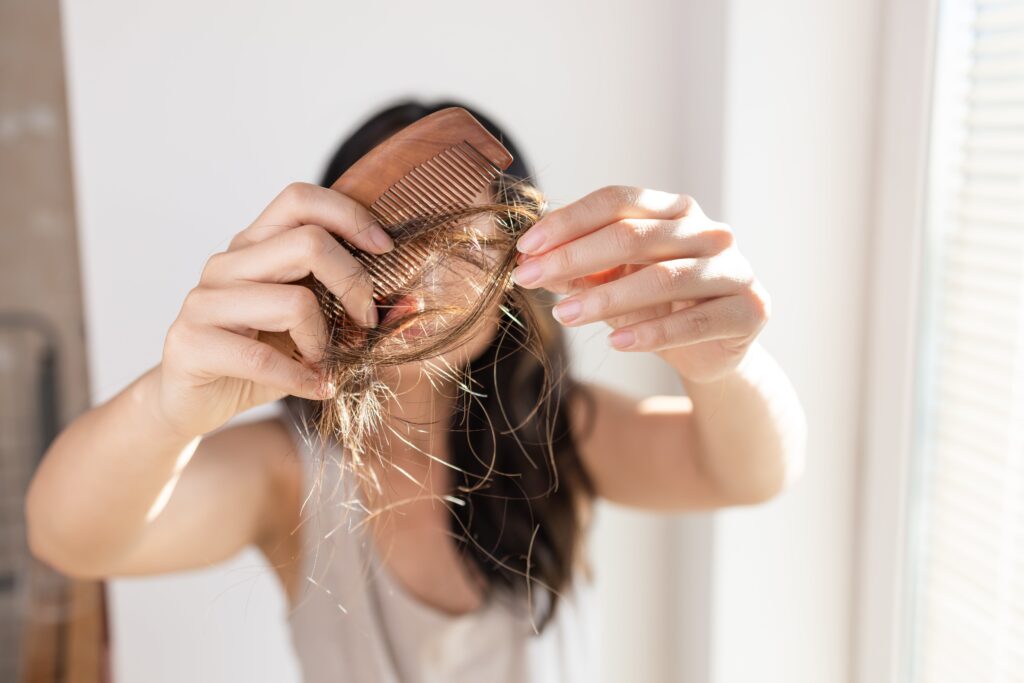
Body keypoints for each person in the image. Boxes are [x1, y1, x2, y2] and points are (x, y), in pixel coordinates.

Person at [24, 100, 807, 682]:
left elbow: (747, 470)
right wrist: (169, 403)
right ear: (323, 263)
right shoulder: (288, 475)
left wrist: (723, 364)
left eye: (459, 241)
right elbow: (70, 536)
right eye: (390, 240)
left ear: (515, 267)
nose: (425, 280)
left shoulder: (559, 431)